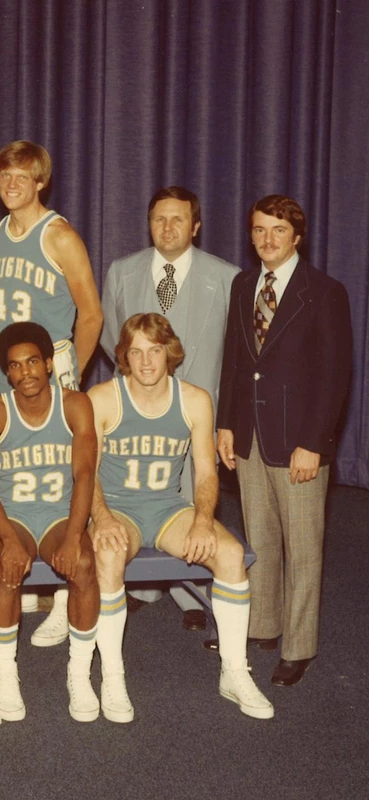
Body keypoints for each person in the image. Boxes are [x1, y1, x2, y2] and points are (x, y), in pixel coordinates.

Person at [87, 314, 273, 721]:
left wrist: (204, 520)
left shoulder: (194, 400)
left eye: (154, 351)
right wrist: (101, 518)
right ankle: (112, 676)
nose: (146, 362)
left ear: (169, 352)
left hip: (168, 507)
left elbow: (206, 473)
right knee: (109, 554)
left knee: (230, 554)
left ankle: (234, 671)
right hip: (117, 508)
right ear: (124, 356)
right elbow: (85, 473)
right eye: (136, 352)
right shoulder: (102, 398)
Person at [216, 195, 352, 687]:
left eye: (277, 230)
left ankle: (298, 646)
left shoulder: (324, 291)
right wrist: (225, 424)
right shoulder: (242, 284)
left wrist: (314, 442)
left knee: (303, 548)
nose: (267, 239)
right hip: (250, 435)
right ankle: (264, 624)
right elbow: (235, 360)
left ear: (297, 237)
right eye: (259, 230)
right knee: (260, 538)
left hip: (299, 442)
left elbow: (335, 375)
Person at [100, 187, 238, 630]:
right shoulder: (122, 272)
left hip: (198, 411)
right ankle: (142, 585)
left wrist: (224, 420)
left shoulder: (227, 277)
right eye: (159, 219)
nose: (168, 227)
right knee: (138, 494)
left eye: (178, 219)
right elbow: (112, 337)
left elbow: (237, 356)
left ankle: (189, 591)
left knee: (194, 498)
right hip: (142, 407)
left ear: (195, 226)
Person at [0, 140, 101, 639]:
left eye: (22, 177)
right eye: (4, 176)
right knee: (10, 466)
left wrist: (70, 373)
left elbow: (91, 314)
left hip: (50, 363)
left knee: (63, 469)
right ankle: (21, 570)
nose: (12, 185)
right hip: (4, 362)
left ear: (40, 182)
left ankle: (63, 593)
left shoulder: (60, 236)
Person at [0, 321, 100, 722]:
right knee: (7, 567)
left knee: (84, 564)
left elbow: (84, 475)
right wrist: (8, 539)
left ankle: (79, 674)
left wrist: (74, 536)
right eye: (14, 365)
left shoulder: (75, 404)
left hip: (60, 513)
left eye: (31, 362)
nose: (24, 372)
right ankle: (5, 672)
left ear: (48, 363)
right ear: (7, 373)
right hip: (15, 516)